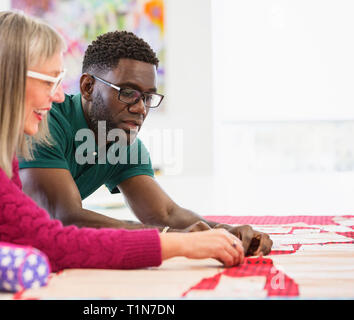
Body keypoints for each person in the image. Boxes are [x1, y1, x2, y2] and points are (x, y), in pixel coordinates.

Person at [0, 11, 246, 271]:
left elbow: (165, 212)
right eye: (50, 81)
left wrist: (224, 233)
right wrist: (176, 244)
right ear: (8, 77)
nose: (56, 97)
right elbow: (46, 236)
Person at [19, 31, 273, 256]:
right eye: (127, 92)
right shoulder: (45, 121)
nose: (140, 108)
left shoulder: (122, 142)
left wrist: (227, 233)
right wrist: (171, 239)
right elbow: (62, 215)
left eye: (148, 96)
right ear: (88, 87)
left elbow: (165, 214)